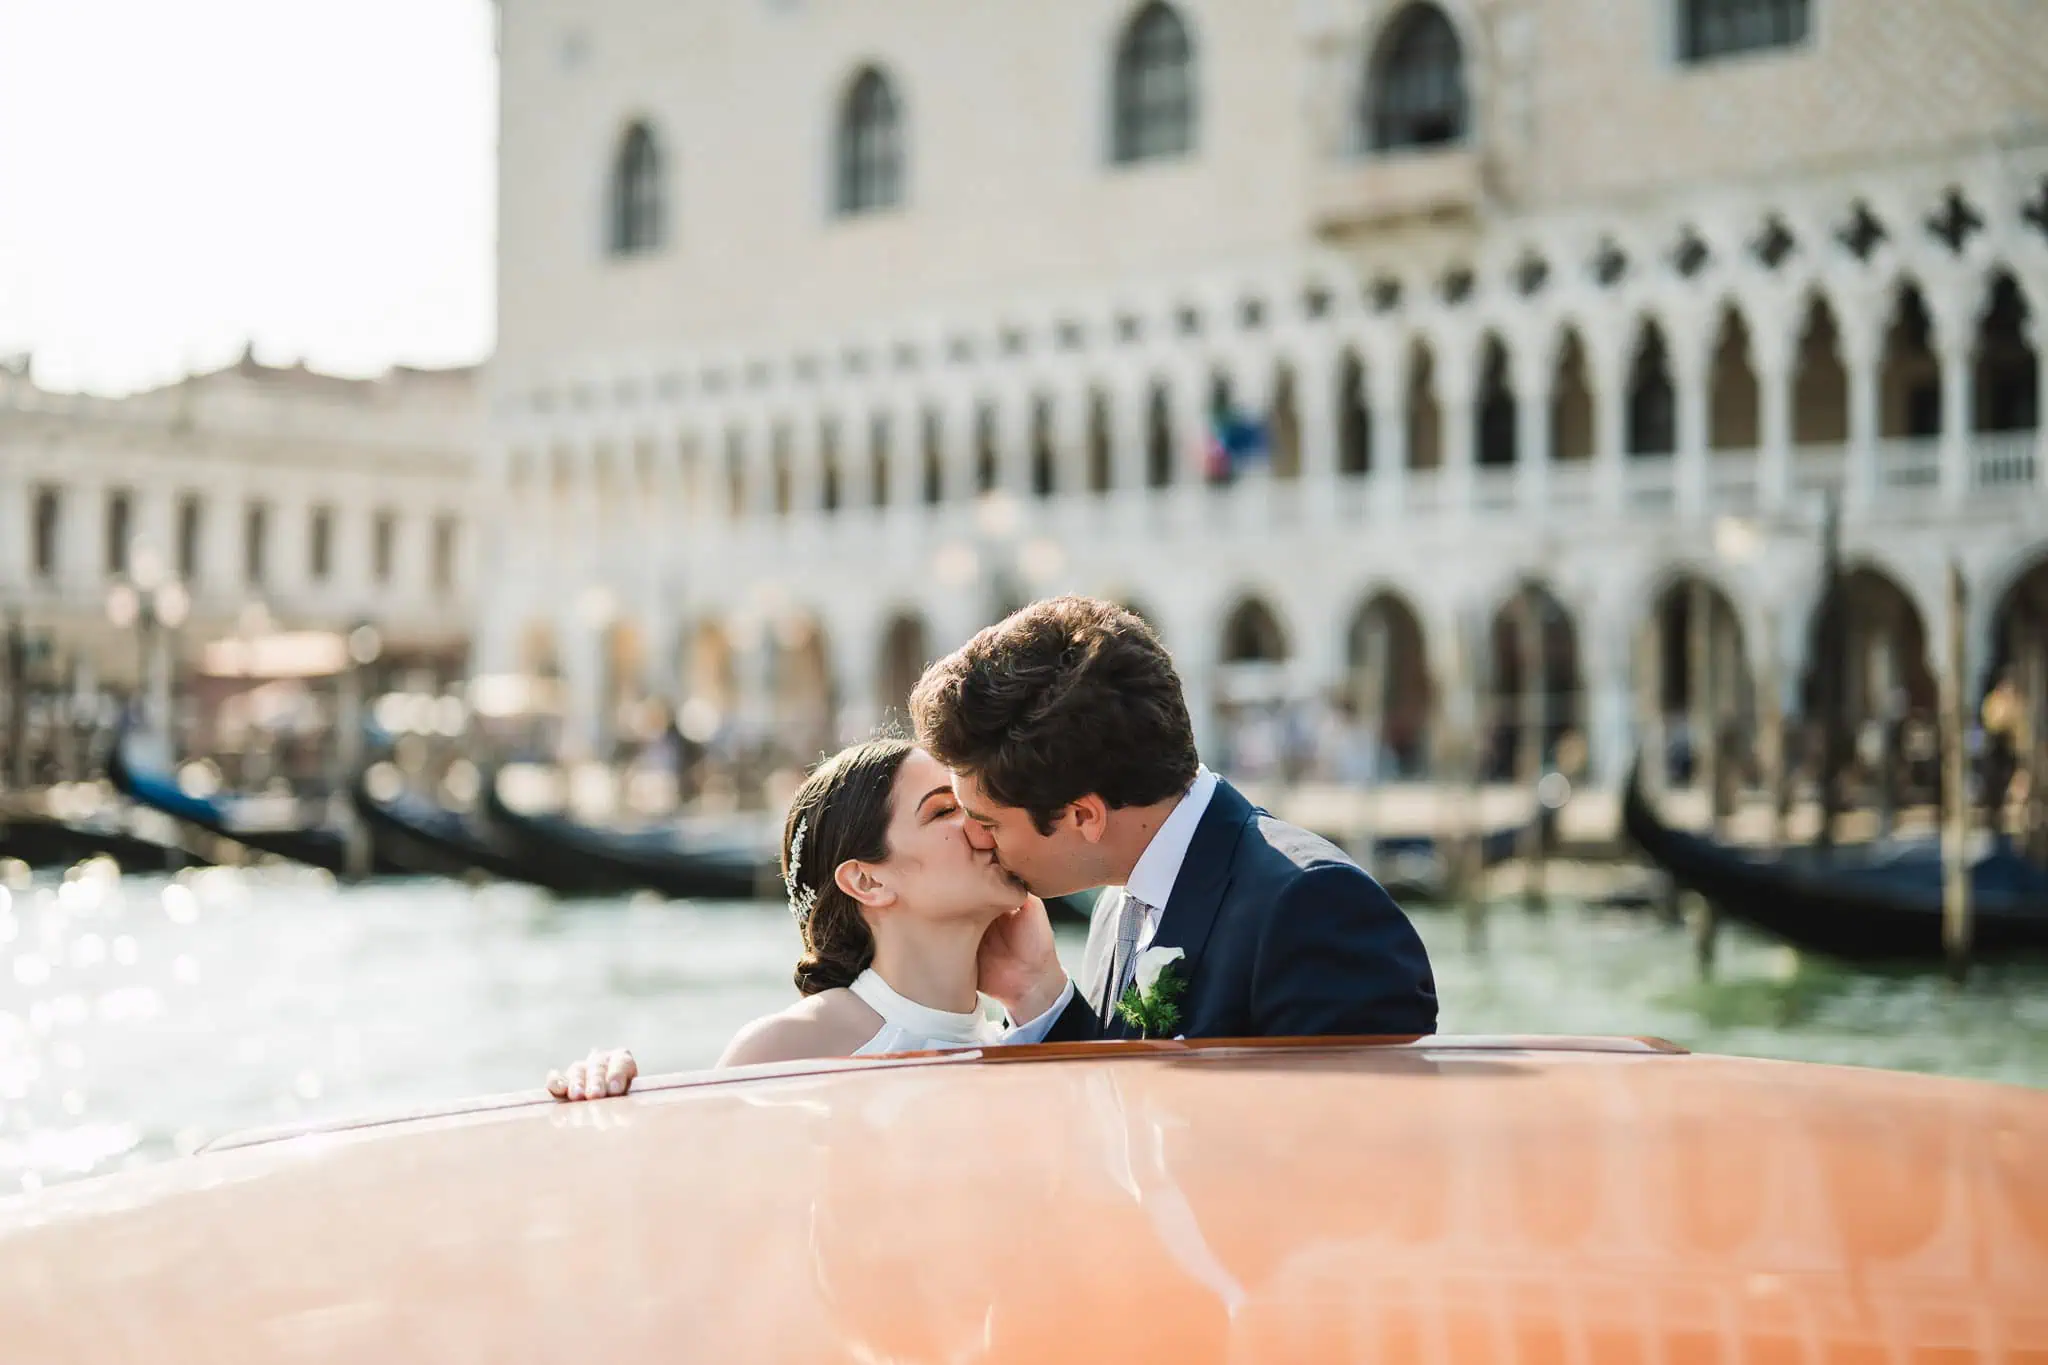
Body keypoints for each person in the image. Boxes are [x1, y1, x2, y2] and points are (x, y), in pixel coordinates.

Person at [910, 594, 1437, 1044]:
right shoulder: (1116, 905)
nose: (974, 838)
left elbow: (1353, 1147)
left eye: (989, 822)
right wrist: (1035, 994)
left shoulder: (1315, 910)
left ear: (1083, 816)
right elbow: (1119, 1110)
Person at [546, 737, 1032, 1099]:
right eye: (945, 809)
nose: (979, 822)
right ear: (868, 882)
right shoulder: (791, 1046)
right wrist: (608, 1107)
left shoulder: (1022, 1034)